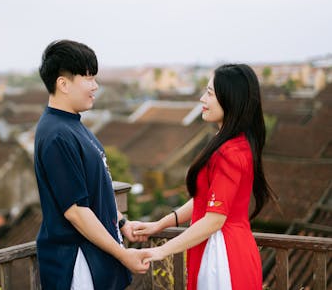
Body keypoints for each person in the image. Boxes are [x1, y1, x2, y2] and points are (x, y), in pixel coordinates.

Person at [133, 64, 275, 289]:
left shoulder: (230, 151)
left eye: (209, 93)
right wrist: (159, 225)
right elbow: (204, 200)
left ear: (231, 99)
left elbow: (214, 219)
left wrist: (160, 250)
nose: (201, 99)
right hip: (223, 248)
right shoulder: (232, 143)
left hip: (222, 257)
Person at [34, 39, 150, 290]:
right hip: (78, 264)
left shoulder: (73, 125)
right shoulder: (56, 135)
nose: (95, 86)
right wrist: (123, 255)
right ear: (63, 84)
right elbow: (75, 211)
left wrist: (121, 223)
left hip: (97, 259)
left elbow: (97, 190)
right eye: (88, 78)